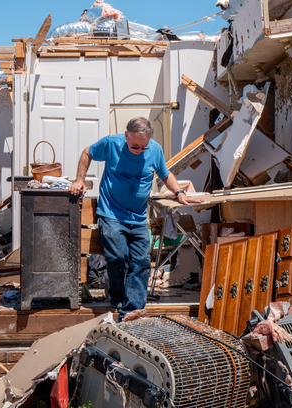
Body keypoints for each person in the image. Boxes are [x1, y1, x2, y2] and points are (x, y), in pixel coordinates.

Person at [69, 117, 203, 321]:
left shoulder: (155, 150)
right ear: (126, 136)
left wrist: (178, 193)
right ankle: (115, 294)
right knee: (118, 257)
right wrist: (79, 179)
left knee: (141, 261)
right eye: (135, 147)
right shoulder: (111, 144)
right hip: (111, 213)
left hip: (138, 217)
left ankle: (132, 309)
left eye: (143, 147)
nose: (140, 150)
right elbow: (87, 152)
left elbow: (165, 175)